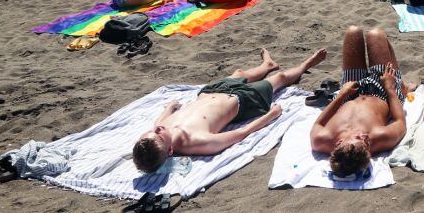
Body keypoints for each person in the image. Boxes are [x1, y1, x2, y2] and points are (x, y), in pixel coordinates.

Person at [132, 47, 327, 173]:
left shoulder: (158, 130)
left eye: (148, 134)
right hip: (242, 100)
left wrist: (170, 107)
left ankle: (266, 65)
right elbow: (241, 133)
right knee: (280, 78)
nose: (156, 130)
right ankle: (305, 65)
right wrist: (270, 115)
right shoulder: (197, 141)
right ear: (171, 151)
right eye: (158, 135)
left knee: (240, 73)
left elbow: (159, 122)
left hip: (212, 91)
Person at [310, 26, 407, 178]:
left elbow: (318, 124)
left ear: (338, 143)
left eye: (358, 138)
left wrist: (342, 94)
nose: (365, 138)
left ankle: (400, 82)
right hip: (382, 92)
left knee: (352, 32)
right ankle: (401, 85)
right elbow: (399, 121)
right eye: (367, 144)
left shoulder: (321, 140)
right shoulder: (380, 138)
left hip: (349, 93)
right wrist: (390, 88)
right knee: (375, 34)